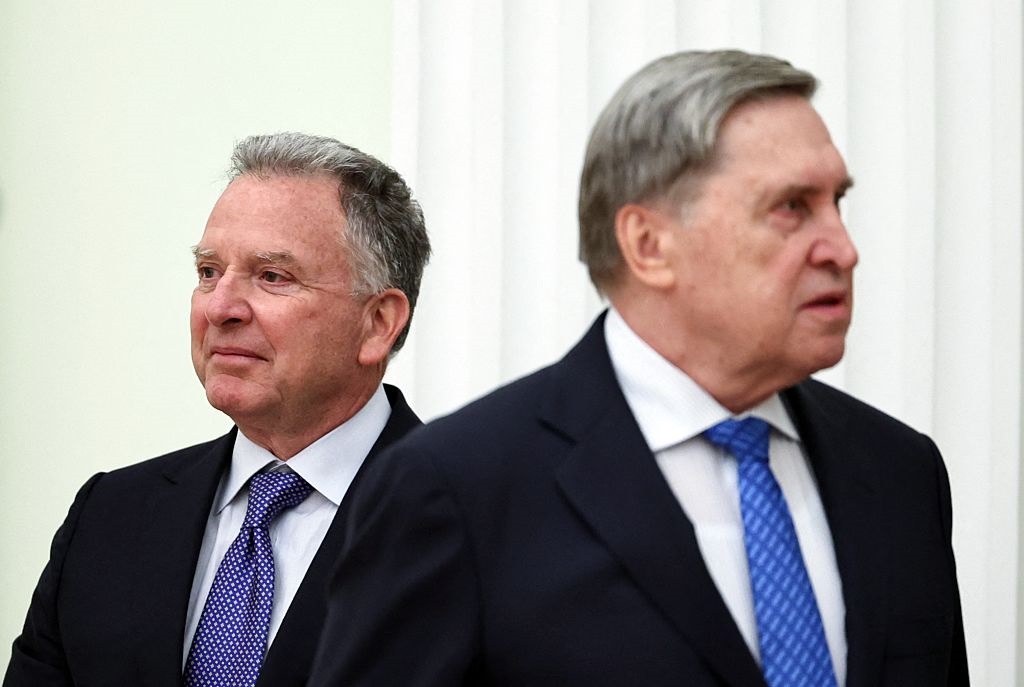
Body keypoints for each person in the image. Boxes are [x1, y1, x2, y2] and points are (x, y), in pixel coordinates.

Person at [307, 51, 968, 686]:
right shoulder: (456, 487)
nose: (843, 250)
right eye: (792, 207)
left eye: (837, 203)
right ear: (649, 245)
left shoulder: (901, 471)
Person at [4, 132, 431, 687]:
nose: (221, 307)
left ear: (377, 323)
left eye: (272, 276)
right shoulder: (109, 516)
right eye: (208, 272)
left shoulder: (478, 525)